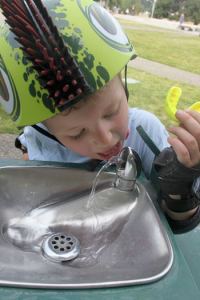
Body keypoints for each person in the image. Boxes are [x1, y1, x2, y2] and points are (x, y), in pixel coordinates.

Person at [0, 0, 200, 234]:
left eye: (112, 111)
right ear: (47, 130)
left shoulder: (145, 133)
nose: (106, 139)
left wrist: (180, 186)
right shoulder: (38, 137)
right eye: (78, 133)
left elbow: (179, 226)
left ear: (123, 84)